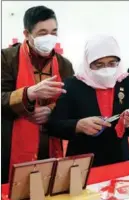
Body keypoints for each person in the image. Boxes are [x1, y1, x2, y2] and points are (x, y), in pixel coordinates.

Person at [47, 35, 129, 167]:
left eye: (112, 63)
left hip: (119, 158)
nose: (106, 69)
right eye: (98, 65)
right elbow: (54, 125)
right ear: (88, 63)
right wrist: (78, 125)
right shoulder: (73, 85)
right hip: (82, 162)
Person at [1, 6, 74, 184]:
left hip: (49, 140)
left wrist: (51, 111)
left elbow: (71, 103)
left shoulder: (64, 64)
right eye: (42, 33)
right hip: (11, 142)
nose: (49, 37)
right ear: (27, 34)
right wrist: (29, 93)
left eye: (54, 32)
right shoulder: (7, 58)